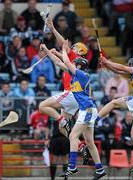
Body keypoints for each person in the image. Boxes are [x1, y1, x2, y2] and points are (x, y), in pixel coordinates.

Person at [41, 42, 106, 179]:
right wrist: (47, 51)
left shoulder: (82, 74)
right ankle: (100, 170)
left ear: (78, 65)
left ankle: (72, 166)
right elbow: (59, 62)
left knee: (72, 136)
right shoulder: (76, 74)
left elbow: (64, 60)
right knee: (90, 142)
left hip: (87, 110)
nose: (72, 64)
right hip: (86, 110)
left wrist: (64, 49)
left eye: (74, 63)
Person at [38, 18, 90, 164]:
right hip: (74, 100)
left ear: (79, 51)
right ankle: (81, 146)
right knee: (63, 130)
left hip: (70, 94)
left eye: (73, 48)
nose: (70, 48)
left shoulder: (75, 58)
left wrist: (53, 29)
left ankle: (62, 121)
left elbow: (63, 45)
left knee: (43, 106)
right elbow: (60, 60)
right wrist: (50, 51)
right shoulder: (74, 64)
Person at [97, 56, 133, 174]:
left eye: (130, 65)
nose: (130, 66)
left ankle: (95, 119)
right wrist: (107, 65)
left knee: (113, 103)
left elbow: (122, 67)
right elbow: (118, 71)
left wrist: (107, 62)